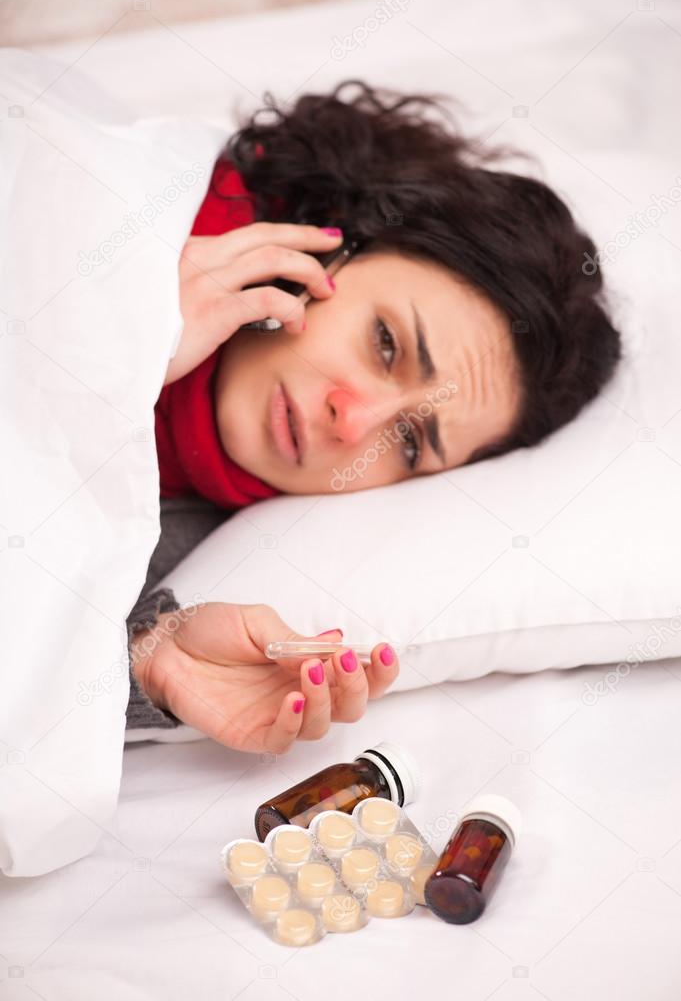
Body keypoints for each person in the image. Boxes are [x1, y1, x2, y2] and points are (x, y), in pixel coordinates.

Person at [126, 79, 622, 753]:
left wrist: (146, 664)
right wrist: (116, 340)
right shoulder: (131, 204)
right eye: (385, 343)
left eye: (410, 442)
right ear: (333, 241)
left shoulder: (189, 539)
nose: (353, 424)